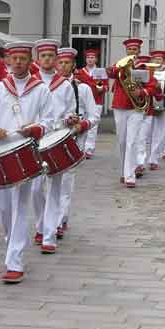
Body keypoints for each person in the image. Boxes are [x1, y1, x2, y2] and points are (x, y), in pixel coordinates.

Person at [0, 41, 52, 284]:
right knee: (3, 208)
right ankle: (12, 241)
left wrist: (35, 129)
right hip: (0, 150)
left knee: (21, 207)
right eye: (14, 59)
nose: (18, 63)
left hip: (27, 151)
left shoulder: (41, 89)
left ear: (29, 60)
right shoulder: (0, 88)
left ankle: (15, 262)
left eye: (22, 58)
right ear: (8, 61)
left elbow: (50, 120)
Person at [30, 39, 76, 254]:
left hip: (56, 137)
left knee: (55, 187)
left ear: (56, 59)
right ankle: (40, 224)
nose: (47, 60)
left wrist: (70, 119)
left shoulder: (65, 85)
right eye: (43, 56)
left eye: (51, 56)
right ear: (37, 59)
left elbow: (70, 111)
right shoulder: (30, 83)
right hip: (34, 139)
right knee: (35, 188)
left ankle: (49, 234)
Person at [56, 47, 99, 237]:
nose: (63, 66)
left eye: (67, 63)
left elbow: (94, 115)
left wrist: (83, 125)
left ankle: (60, 219)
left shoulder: (83, 88)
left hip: (74, 137)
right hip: (52, 137)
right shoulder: (49, 87)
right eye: (61, 62)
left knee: (66, 180)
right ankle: (52, 218)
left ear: (73, 65)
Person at [107, 38, 146, 188]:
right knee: (122, 141)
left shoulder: (143, 66)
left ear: (139, 51)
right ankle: (124, 172)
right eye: (130, 49)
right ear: (126, 51)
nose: (132, 52)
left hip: (136, 108)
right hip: (120, 106)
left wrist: (142, 91)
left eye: (135, 50)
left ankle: (130, 175)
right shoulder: (120, 65)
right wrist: (117, 68)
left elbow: (154, 86)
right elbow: (111, 74)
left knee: (132, 141)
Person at [75, 48, 106, 158]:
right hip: (83, 103)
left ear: (96, 59)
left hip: (96, 101)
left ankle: (89, 149)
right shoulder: (79, 72)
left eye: (92, 57)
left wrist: (101, 88)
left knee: (93, 126)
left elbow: (104, 86)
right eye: (88, 57)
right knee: (82, 123)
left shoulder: (100, 71)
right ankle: (80, 148)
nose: (90, 59)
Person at [146, 51, 165, 171]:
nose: (158, 61)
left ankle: (153, 159)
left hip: (163, 105)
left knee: (159, 133)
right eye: (155, 59)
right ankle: (143, 158)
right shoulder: (146, 72)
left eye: (160, 59)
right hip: (148, 106)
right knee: (147, 134)